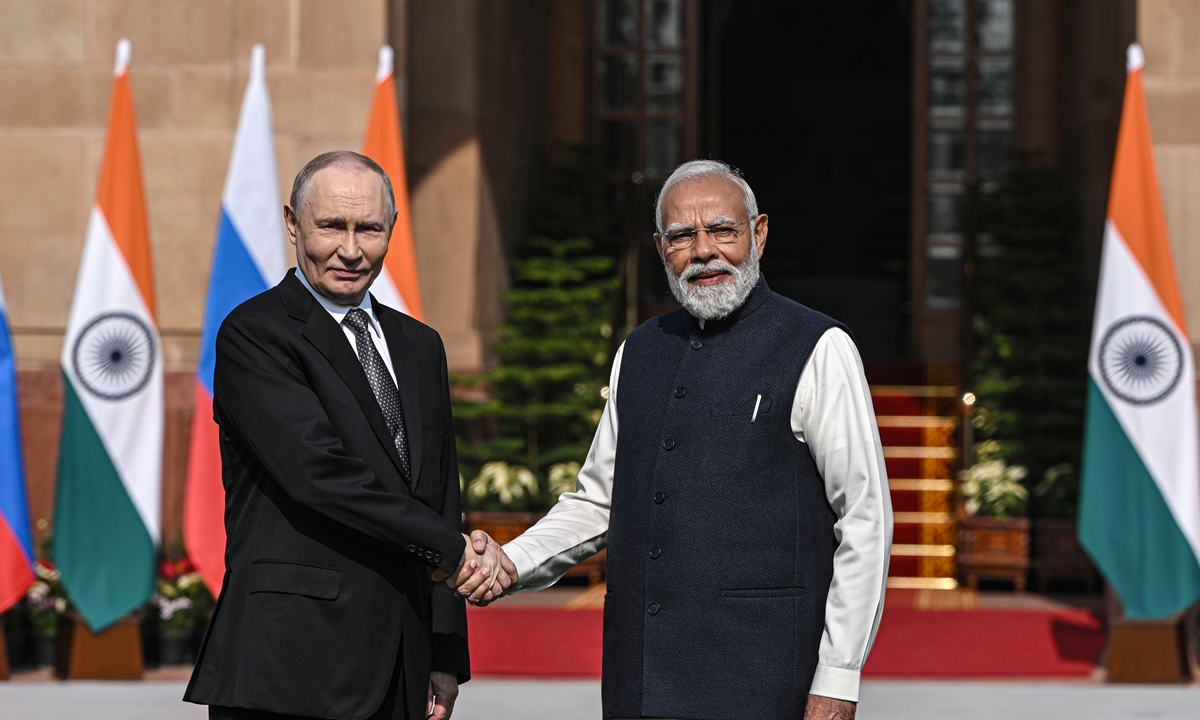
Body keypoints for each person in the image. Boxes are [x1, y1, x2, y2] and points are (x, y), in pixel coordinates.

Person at [464, 159, 893, 720]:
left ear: (758, 233)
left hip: (766, 683)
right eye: (682, 236)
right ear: (660, 247)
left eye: (722, 230)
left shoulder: (819, 346)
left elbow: (865, 517)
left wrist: (837, 678)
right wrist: (511, 563)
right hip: (638, 681)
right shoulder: (638, 351)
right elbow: (599, 501)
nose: (704, 251)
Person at [184, 151, 512, 720]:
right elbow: (320, 476)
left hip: (401, 668)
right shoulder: (255, 335)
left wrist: (443, 651)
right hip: (290, 665)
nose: (351, 250)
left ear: (391, 231)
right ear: (293, 224)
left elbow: (438, 497)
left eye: (370, 229)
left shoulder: (420, 345)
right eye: (331, 226)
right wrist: (458, 554)